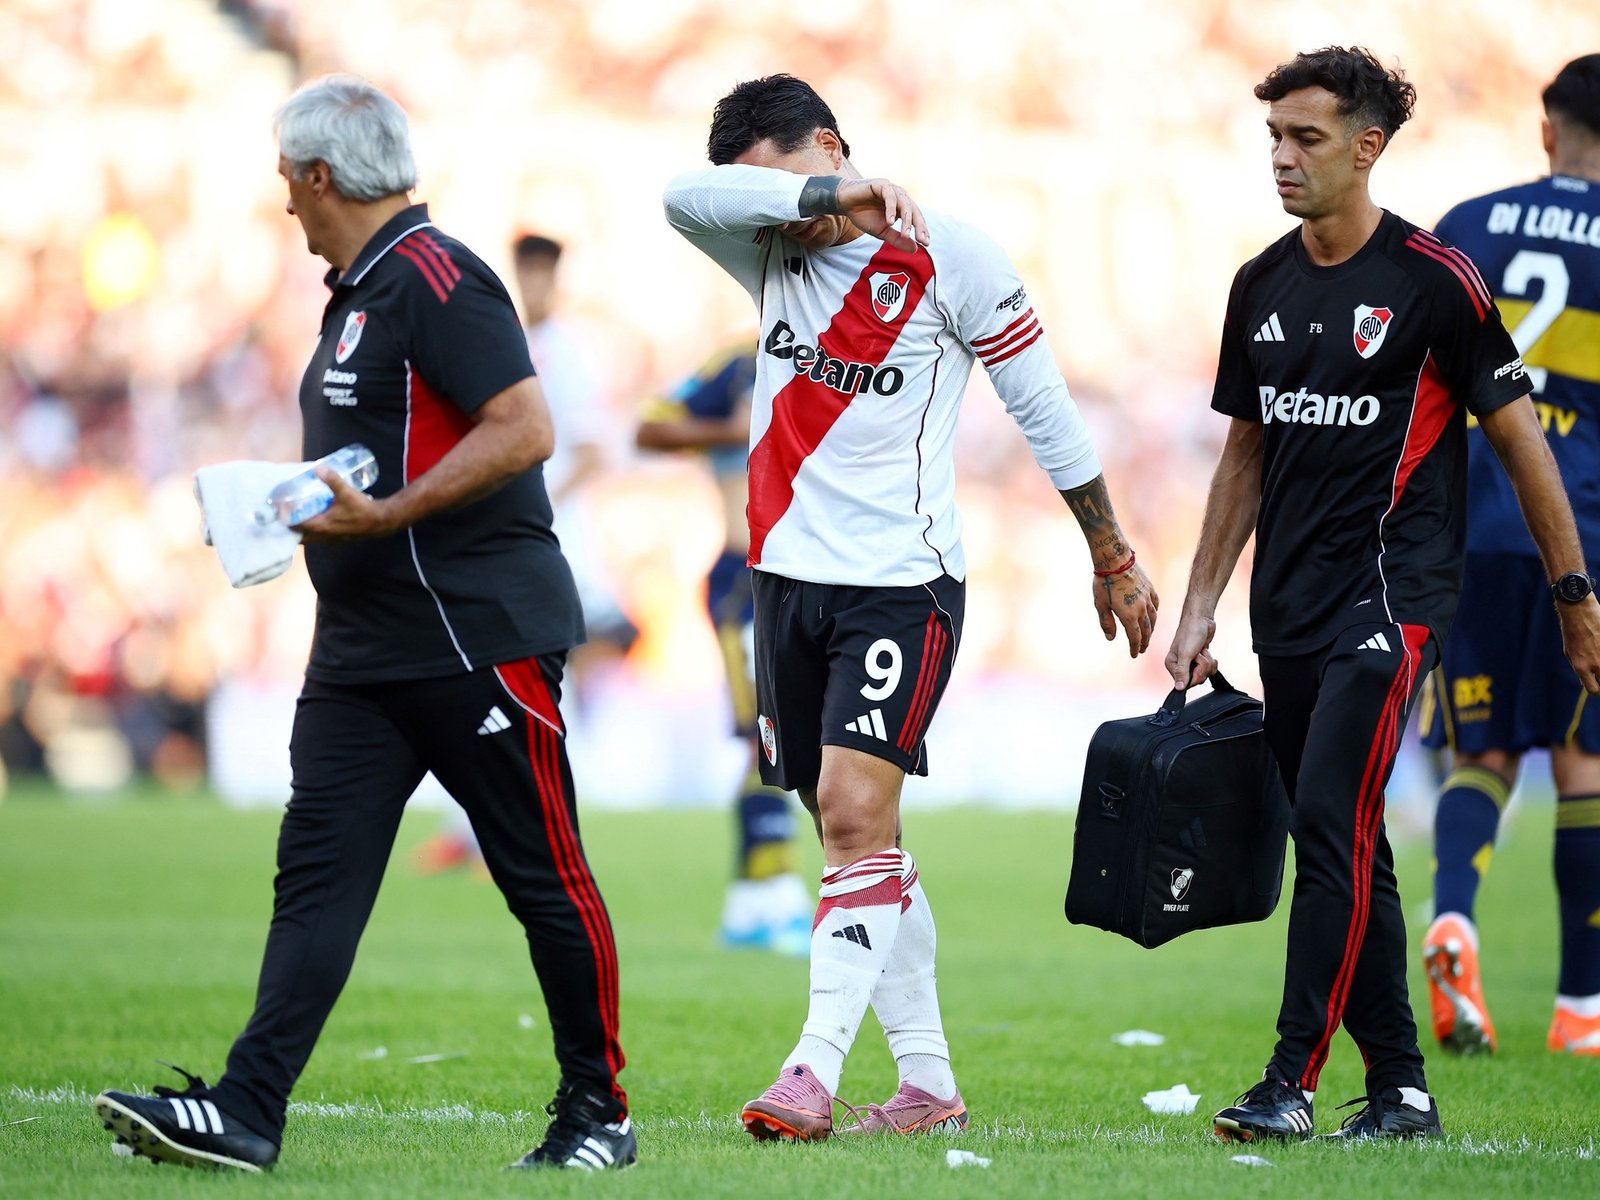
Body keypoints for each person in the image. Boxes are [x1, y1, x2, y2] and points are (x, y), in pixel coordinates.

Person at [90, 75, 634, 1173]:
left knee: (542, 875)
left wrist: (388, 511)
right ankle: (247, 1110)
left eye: (288, 180)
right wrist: (284, 506)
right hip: (363, 649)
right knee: (317, 878)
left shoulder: (439, 276)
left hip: (474, 635)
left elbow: (525, 429)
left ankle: (598, 1114)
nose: (284, 202)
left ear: (320, 175)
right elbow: (381, 458)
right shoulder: (362, 290)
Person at [663, 73, 1158, 1142]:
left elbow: (1042, 406)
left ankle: (809, 1071)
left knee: (848, 818)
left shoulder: (956, 259)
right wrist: (812, 204)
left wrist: (1110, 549)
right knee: (860, 838)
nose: (767, 208)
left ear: (831, 143)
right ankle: (927, 1084)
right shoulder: (771, 245)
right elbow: (680, 199)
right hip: (783, 585)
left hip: (901, 586)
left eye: (783, 179)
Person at [1164, 46, 1600, 1144]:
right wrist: (1200, 600)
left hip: (1392, 599)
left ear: (1366, 147)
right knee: (1351, 835)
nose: (1282, 158)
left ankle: (1288, 1081)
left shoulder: (1432, 282)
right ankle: (1401, 1088)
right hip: (1286, 609)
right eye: (1273, 137)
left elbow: (1518, 443)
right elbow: (1242, 458)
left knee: (1326, 822)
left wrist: (1573, 590)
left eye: (1305, 138)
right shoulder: (1258, 284)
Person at [1418, 54, 1600, 1059]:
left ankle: (1453, 916)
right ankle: (1581, 1009)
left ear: (1545, 131)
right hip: (1584, 533)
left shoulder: (1468, 227)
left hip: (1475, 529)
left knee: (1477, 753)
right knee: (1585, 762)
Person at [413, 232, 636, 877]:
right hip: (525, 546)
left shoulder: (564, 355)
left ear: (554, 281)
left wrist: (535, 505)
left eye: (542, 276)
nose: (532, 287)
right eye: (525, 275)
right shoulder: (516, 344)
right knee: (505, 682)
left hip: (552, 548)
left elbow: (594, 452)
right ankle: (486, 826)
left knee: (524, 683)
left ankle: (517, 826)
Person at [636, 340, 811, 955]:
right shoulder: (741, 364)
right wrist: (729, 429)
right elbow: (649, 426)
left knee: (794, 736)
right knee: (767, 735)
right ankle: (776, 893)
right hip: (747, 574)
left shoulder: (843, 350)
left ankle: (751, 905)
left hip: (816, 573)